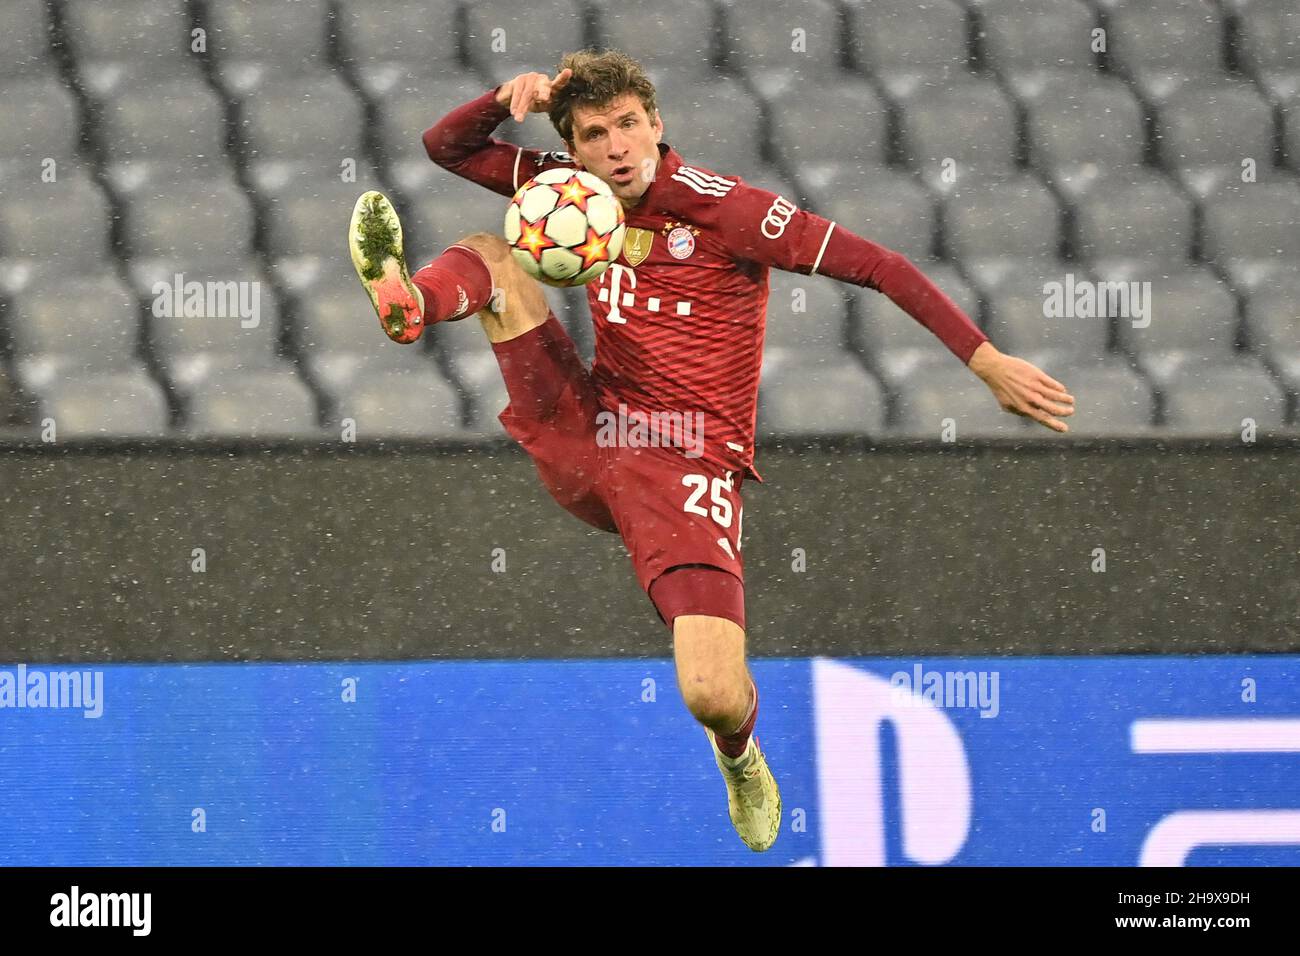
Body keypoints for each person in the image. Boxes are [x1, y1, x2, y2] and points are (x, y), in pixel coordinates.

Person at [347, 49, 1075, 853]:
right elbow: (444, 147)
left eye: (629, 125)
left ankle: (740, 758)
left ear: (657, 125)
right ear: (575, 147)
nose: (617, 146)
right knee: (490, 253)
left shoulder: (725, 210)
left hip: (686, 463)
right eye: (595, 134)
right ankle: (410, 302)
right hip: (590, 424)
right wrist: (501, 97)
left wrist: (986, 361)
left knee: (711, 692)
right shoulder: (567, 192)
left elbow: (881, 265)